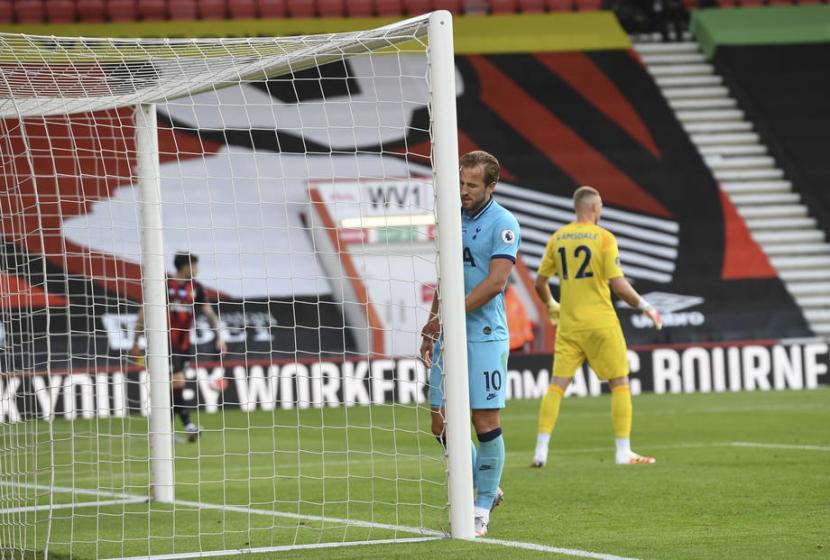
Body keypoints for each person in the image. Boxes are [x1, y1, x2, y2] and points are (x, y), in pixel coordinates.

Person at [420, 150, 520, 538]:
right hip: (450, 329)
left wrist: (451, 316)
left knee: (483, 421)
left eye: (471, 185)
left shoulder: (504, 224)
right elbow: (447, 275)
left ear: (491, 186)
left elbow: (496, 282)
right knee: (439, 421)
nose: (462, 191)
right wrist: (434, 319)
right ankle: (487, 485)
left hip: (483, 336)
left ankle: (479, 509)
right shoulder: (452, 218)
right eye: (460, 183)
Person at [531, 186, 661, 468]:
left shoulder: (558, 237)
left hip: (568, 324)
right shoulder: (604, 238)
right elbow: (618, 285)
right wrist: (646, 307)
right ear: (593, 207)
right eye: (600, 205)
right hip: (601, 322)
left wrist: (552, 304)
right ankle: (623, 451)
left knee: (556, 386)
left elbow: (540, 283)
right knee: (619, 383)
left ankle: (540, 451)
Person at [130, 252, 227, 442]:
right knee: (178, 381)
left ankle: (163, 431)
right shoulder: (163, 285)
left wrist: (219, 336)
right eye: (195, 266)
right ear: (185, 267)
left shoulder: (196, 288)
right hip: (163, 342)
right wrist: (135, 340)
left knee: (173, 386)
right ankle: (188, 425)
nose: (197, 270)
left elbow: (208, 313)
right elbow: (144, 311)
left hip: (184, 344)